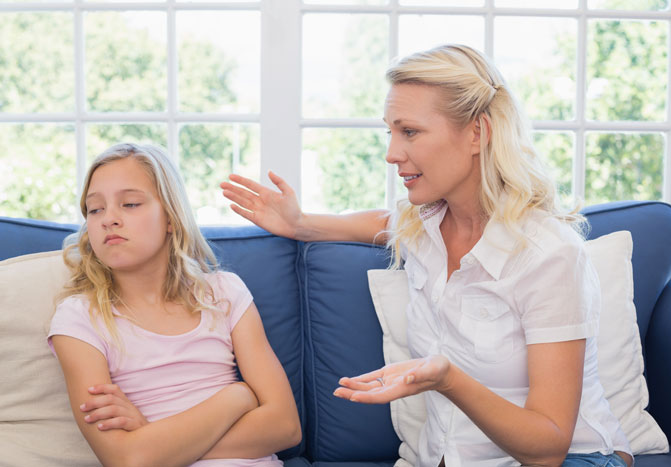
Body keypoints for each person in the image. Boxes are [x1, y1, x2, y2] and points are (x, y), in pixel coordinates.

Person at [220, 45, 633, 467]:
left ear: (477, 133)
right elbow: (380, 222)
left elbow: (549, 448)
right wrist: (301, 224)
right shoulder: (424, 227)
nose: (392, 153)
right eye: (390, 132)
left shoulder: (549, 255)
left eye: (410, 132)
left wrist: (447, 379)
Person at [49, 143, 301, 467]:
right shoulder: (79, 319)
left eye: (129, 203)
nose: (108, 219)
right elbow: (127, 459)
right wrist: (238, 396)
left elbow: (285, 427)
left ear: (170, 217)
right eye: (94, 209)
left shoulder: (223, 293)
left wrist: (153, 438)